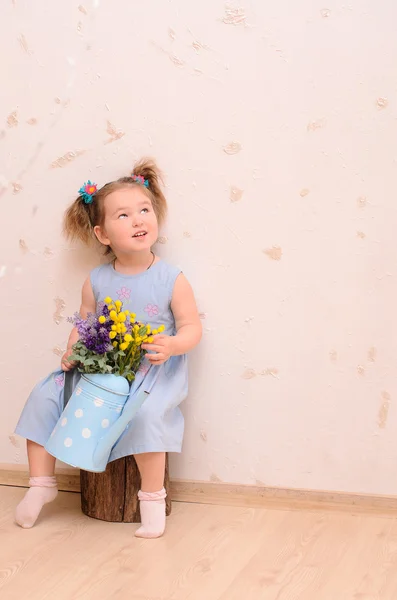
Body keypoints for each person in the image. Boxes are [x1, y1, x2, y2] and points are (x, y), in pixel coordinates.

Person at [14, 159, 202, 538]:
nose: (138, 220)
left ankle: (151, 497)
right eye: (124, 215)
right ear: (102, 234)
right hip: (100, 369)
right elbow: (84, 325)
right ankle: (41, 484)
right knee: (45, 395)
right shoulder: (97, 280)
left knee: (147, 417)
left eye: (144, 210)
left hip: (149, 371)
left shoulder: (170, 278)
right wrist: (71, 353)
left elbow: (192, 327)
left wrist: (173, 344)